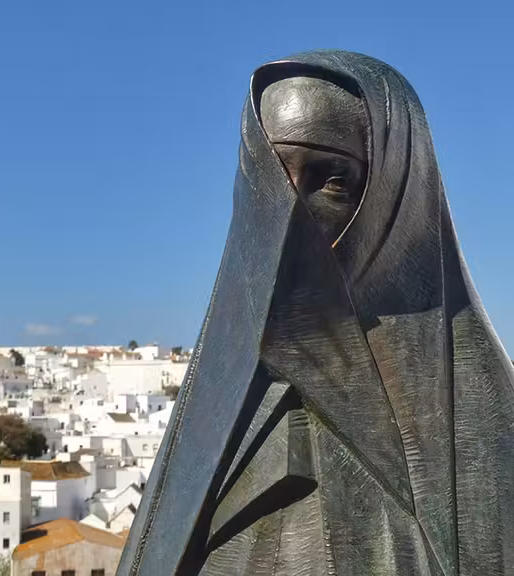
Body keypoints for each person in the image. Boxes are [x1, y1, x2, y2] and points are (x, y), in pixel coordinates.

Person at [117, 50, 514, 576]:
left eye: (330, 179)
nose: (289, 215)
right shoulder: (218, 404)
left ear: (395, 195)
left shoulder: (481, 425)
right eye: (271, 178)